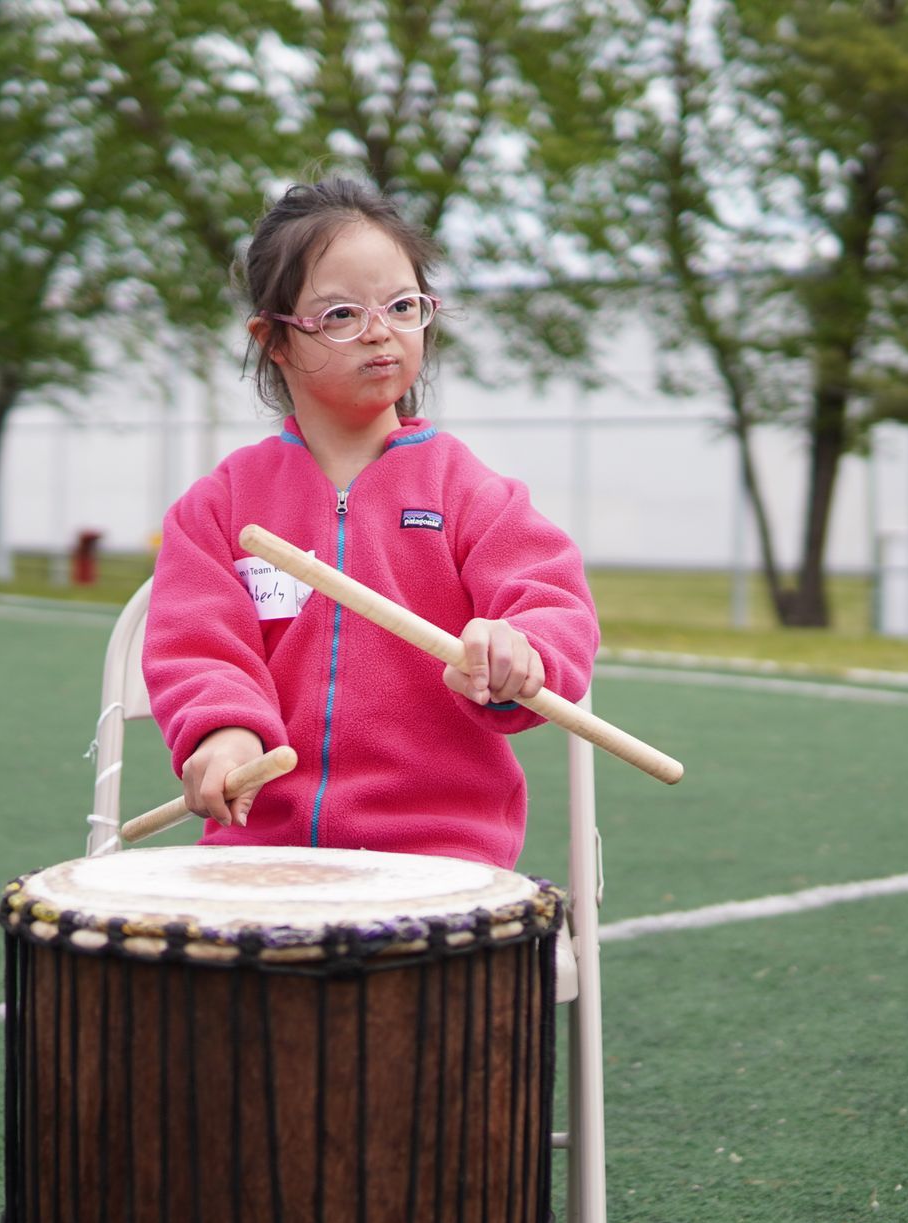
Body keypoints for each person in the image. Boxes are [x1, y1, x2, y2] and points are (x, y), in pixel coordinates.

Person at [141, 177, 598, 869]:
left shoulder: (469, 492)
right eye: (341, 315)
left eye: (402, 305)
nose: (380, 331)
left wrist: (520, 649)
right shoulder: (219, 507)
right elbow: (199, 648)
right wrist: (224, 733)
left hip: (444, 852)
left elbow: (552, 602)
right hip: (260, 853)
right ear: (275, 340)